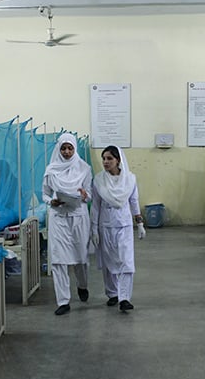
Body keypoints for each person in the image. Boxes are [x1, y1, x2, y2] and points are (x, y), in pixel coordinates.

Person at [42, 133, 93, 316]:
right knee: (58, 260)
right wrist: (51, 202)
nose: (66, 152)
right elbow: (45, 194)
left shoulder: (84, 169)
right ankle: (63, 301)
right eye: (63, 148)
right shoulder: (51, 169)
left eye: (70, 148)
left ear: (75, 148)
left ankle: (82, 285)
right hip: (59, 217)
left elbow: (90, 194)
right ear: (58, 149)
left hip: (78, 217)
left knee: (80, 257)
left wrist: (85, 196)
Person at [90, 145, 146, 312]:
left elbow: (134, 201)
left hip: (124, 225)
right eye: (104, 158)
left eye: (110, 158)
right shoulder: (99, 180)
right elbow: (95, 206)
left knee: (126, 261)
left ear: (118, 160)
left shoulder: (130, 179)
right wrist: (94, 228)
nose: (106, 162)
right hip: (105, 225)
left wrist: (140, 223)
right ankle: (112, 293)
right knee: (109, 263)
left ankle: (124, 298)